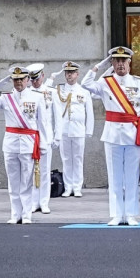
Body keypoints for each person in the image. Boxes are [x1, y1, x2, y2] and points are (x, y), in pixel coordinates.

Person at [82, 46, 140, 226]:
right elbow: (85, 83)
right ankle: (115, 214)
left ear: (129, 62)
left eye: (124, 61)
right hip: (113, 134)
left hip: (133, 133)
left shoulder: (139, 83)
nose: (120, 64)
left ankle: (130, 214)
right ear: (112, 63)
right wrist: (100, 65)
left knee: (131, 176)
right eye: (117, 61)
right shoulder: (106, 82)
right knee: (114, 177)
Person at [0, 66, 47, 224]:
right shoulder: (6, 97)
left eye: (21, 79)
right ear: (12, 81)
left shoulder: (37, 97)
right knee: (13, 182)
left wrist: (43, 145)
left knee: (26, 181)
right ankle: (15, 214)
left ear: (27, 80)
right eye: (15, 79)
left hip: (28, 143)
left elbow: (42, 122)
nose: (19, 82)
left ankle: (26, 215)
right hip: (11, 143)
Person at [54, 61, 94, 197]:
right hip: (64, 129)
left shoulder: (83, 91)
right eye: (67, 73)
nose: (69, 75)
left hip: (78, 130)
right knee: (66, 159)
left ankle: (77, 187)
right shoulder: (58, 90)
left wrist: (89, 130)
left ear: (77, 74)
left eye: (71, 73)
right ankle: (68, 186)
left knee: (77, 158)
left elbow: (90, 112)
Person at [27, 63, 61, 214]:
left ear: (43, 76)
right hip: (31, 137)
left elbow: (58, 116)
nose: (35, 82)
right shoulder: (27, 93)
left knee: (45, 171)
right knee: (32, 170)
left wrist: (57, 136)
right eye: (32, 79)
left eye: (37, 78)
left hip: (46, 136)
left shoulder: (50, 92)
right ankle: (34, 201)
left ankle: (44, 202)